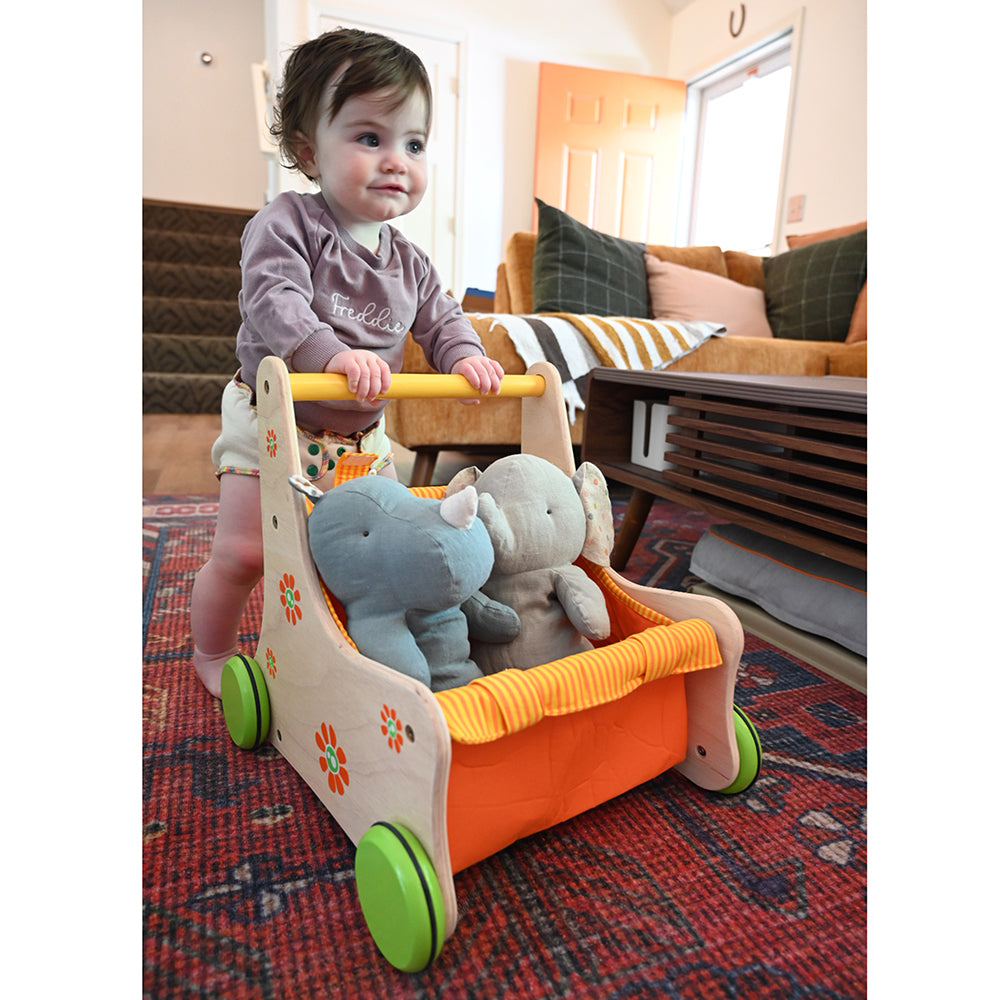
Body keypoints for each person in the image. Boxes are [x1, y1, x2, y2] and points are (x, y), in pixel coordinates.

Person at [189, 28, 505, 698]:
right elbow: (273, 299)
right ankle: (211, 651)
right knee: (247, 552)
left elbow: (442, 317)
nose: (396, 161)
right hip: (274, 421)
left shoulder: (412, 262)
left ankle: (366, 643)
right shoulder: (287, 224)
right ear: (310, 150)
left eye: (414, 144)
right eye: (369, 137)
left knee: (375, 548)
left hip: (363, 439)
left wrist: (466, 356)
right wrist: (332, 354)